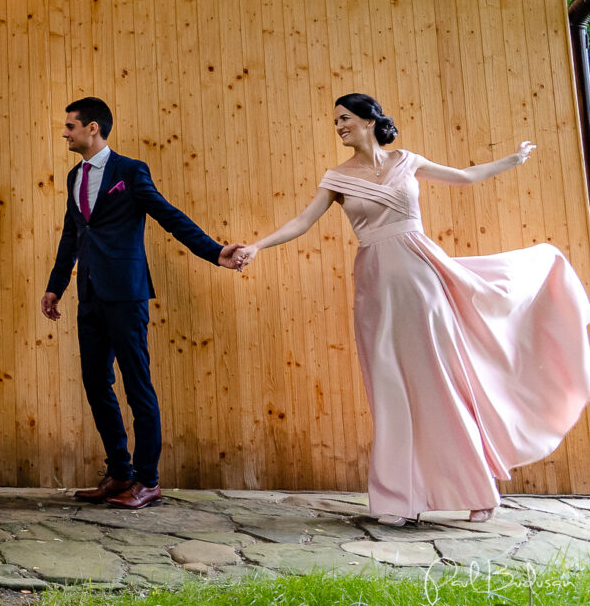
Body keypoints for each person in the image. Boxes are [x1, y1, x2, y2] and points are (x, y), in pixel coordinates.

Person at [233, 93, 590, 525]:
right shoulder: (337, 178)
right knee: (391, 391)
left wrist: (510, 161)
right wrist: (257, 246)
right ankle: (398, 499)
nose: (339, 126)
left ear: (369, 120)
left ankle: (479, 491)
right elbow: (301, 222)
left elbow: (463, 176)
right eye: (336, 122)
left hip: (423, 278)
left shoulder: (407, 160)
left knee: (441, 381)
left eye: (345, 118)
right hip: (376, 287)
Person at [41, 96, 243, 510]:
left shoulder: (130, 171)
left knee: (138, 387)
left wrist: (215, 251)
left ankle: (148, 481)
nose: (65, 132)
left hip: (127, 294)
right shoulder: (72, 177)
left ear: (93, 128)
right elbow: (72, 236)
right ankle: (119, 473)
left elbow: (168, 215)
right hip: (90, 295)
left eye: (71, 126)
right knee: (96, 383)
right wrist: (55, 286)